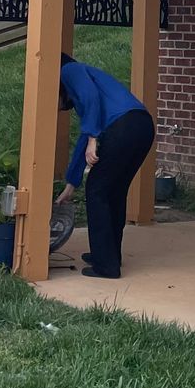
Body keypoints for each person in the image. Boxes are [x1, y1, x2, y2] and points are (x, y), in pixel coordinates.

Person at [53, 53, 154, 279]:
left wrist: (92, 138)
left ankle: (105, 265)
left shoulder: (69, 70)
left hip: (124, 126)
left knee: (97, 189)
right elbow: (85, 136)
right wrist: (71, 184)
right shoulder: (85, 97)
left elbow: (90, 99)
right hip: (142, 126)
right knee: (113, 191)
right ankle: (108, 255)